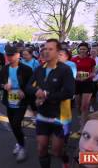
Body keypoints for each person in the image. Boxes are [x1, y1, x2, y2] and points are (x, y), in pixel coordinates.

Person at [26, 39, 75, 168]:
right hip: (42, 115)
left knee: (56, 151)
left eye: (50, 49)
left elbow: (69, 92)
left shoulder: (65, 69)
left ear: (58, 52)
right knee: (41, 148)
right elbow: (28, 86)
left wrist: (46, 95)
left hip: (60, 117)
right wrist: (37, 91)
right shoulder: (39, 69)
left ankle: (65, 159)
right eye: (44, 49)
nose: (46, 51)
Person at [0, 46, 33, 162]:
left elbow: (32, 85)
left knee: (17, 124)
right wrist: (4, 86)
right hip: (9, 101)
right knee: (13, 125)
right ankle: (19, 142)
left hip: (21, 102)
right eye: (8, 55)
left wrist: (24, 91)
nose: (9, 57)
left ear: (18, 55)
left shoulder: (26, 69)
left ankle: (22, 147)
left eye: (12, 55)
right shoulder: (5, 69)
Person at [72, 43, 96, 130]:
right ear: (78, 50)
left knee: (84, 106)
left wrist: (86, 76)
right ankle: (81, 117)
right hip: (77, 83)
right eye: (81, 49)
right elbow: (71, 72)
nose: (82, 50)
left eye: (84, 49)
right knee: (78, 105)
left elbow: (93, 72)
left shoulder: (91, 60)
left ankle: (82, 126)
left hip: (87, 83)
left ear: (87, 50)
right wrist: (77, 77)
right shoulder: (73, 59)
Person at [90, 47, 98, 112]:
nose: (93, 53)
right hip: (89, 80)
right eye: (92, 52)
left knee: (97, 93)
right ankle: (91, 106)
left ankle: (97, 103)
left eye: (95, 52)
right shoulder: (88, 59)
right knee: (92, 94)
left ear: (97, 53)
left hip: (97, 79)